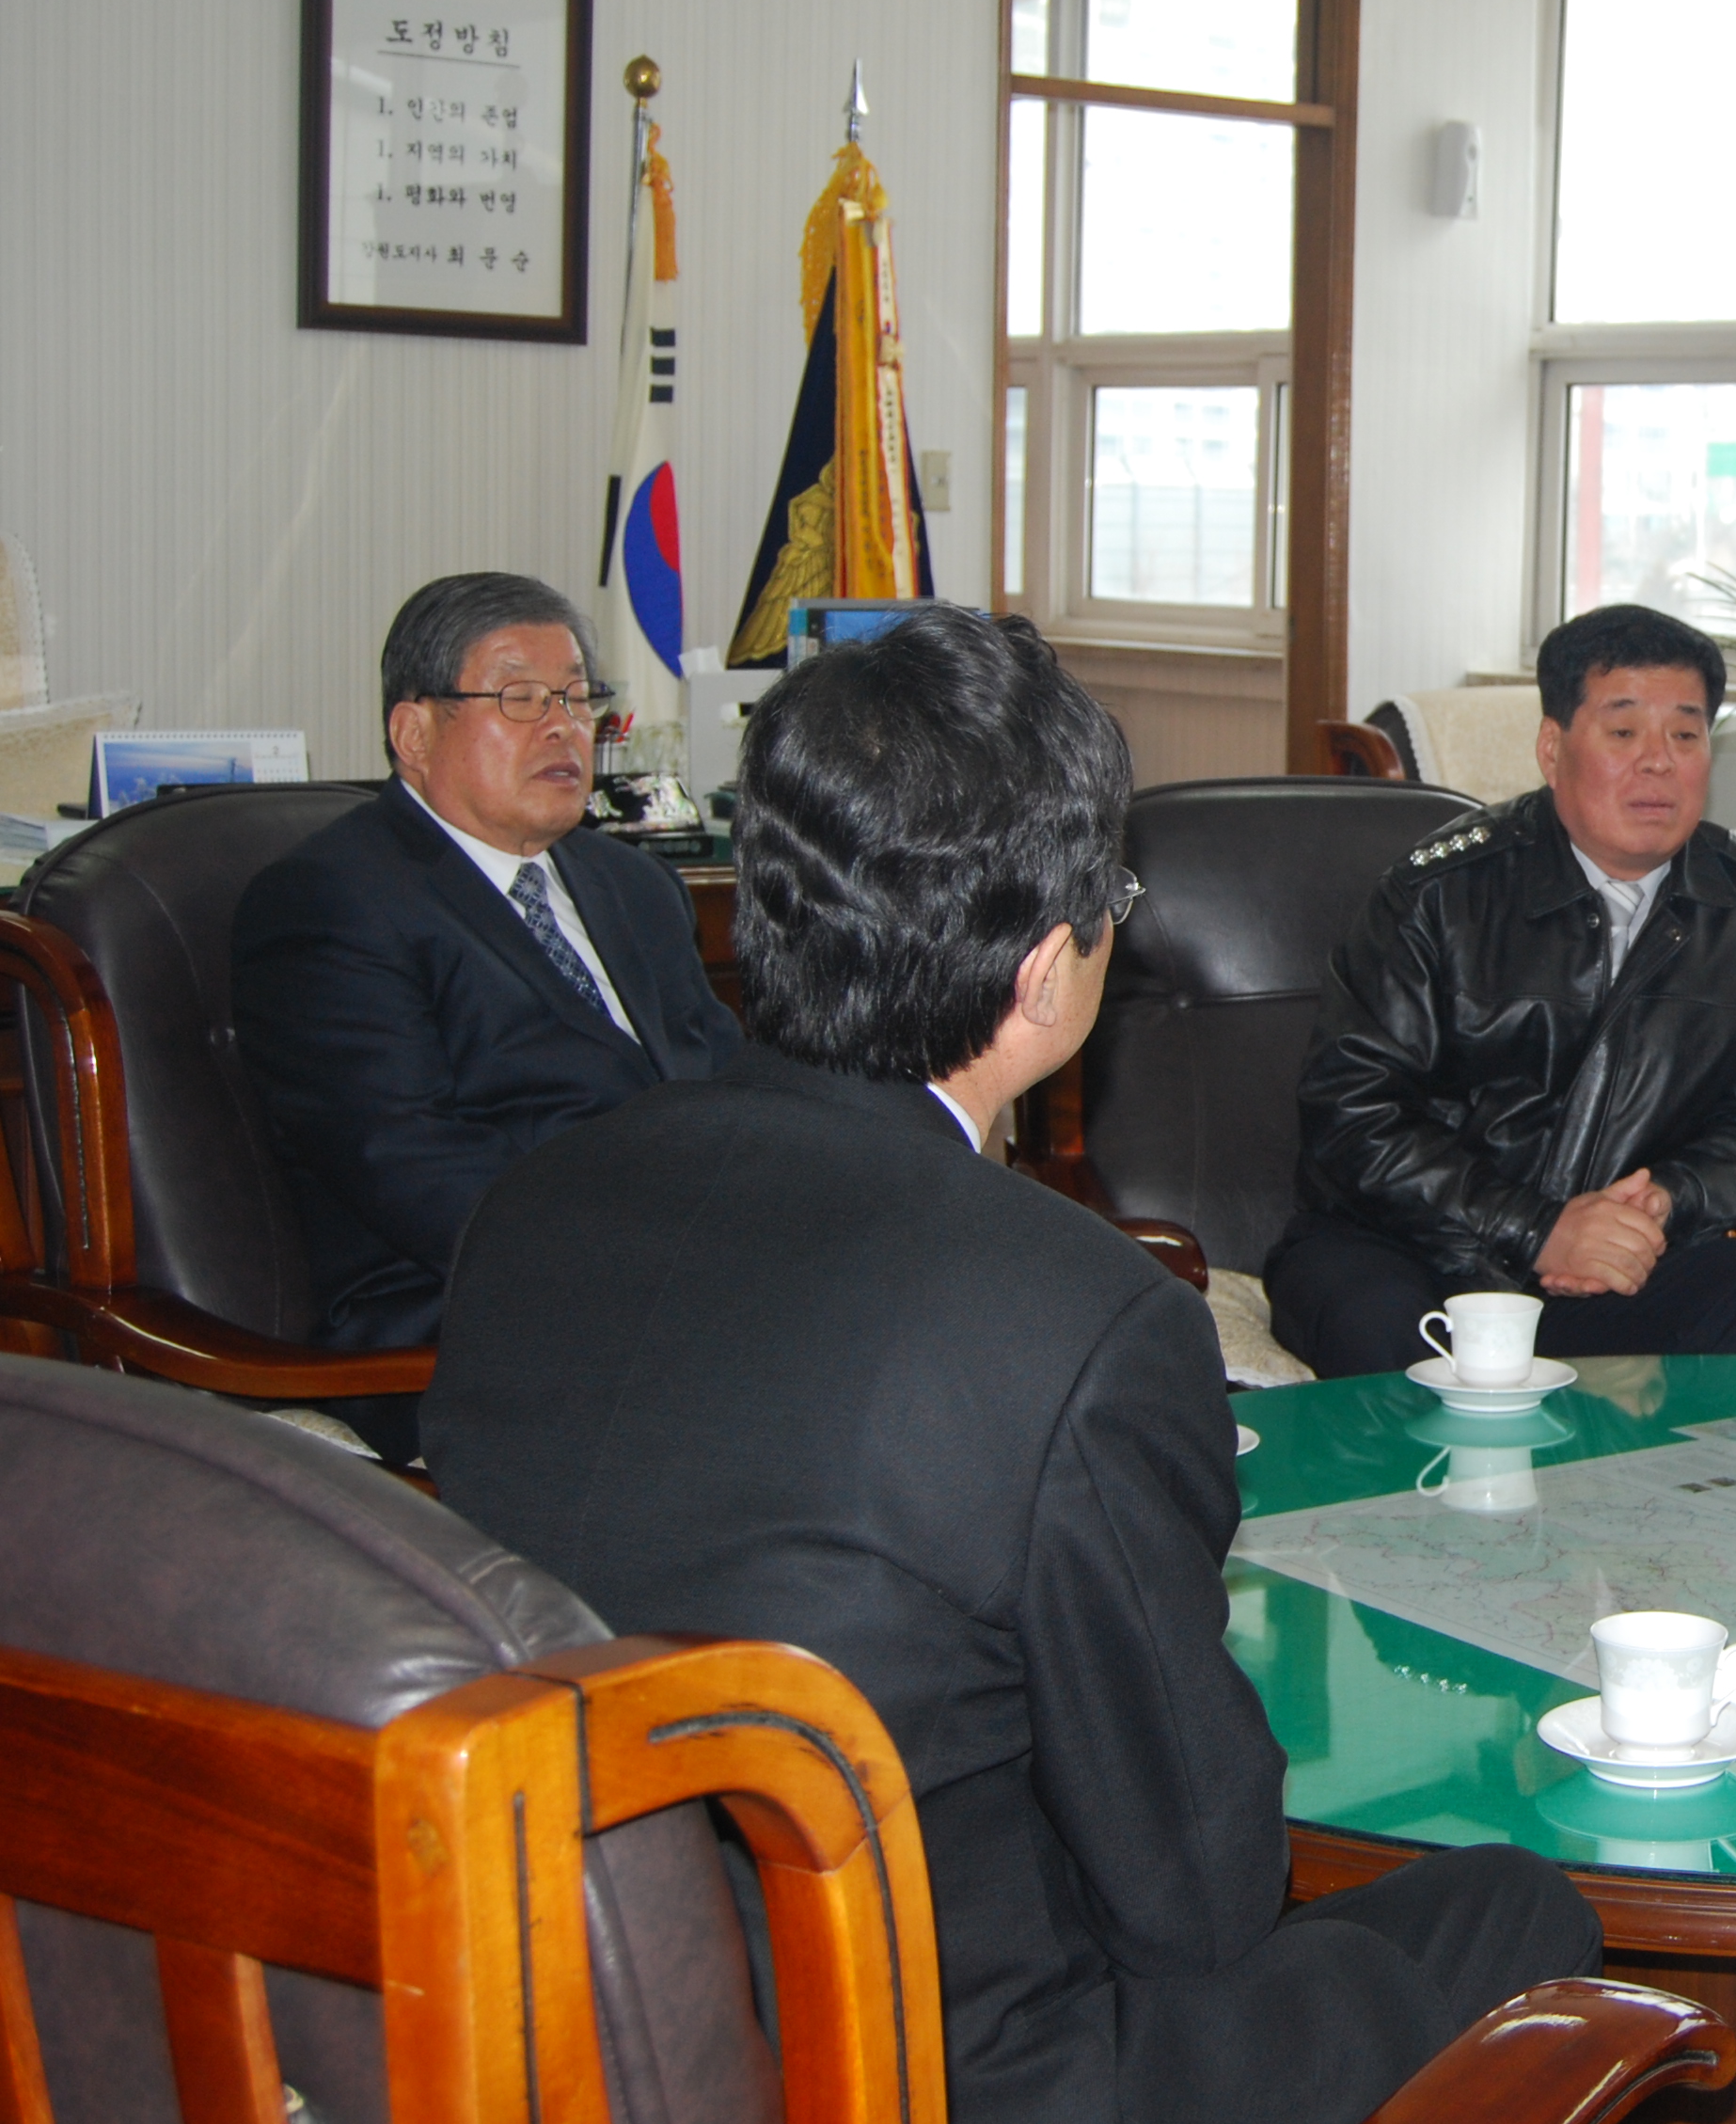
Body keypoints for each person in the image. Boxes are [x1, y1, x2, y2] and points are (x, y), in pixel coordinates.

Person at [423, 610, 1602, 2124]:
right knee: (1518, 1910)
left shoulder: (535, 1203)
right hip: (934, 2067)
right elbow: (1197, 1901)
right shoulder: (1079, 1318)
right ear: (1048, 972)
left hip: (575, 2011)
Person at [231, 572, 736, 1456]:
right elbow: (413, 1170)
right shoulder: (332, 902)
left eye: (577, 698)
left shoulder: (635, 885)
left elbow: (732, 1082)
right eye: (520, 699)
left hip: (685, 1283)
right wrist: (678, 1257)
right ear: (414, 733)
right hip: (470, 1325)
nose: (563, 727)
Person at [1266, 603, 1736, 1379]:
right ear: (1551, 747)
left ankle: (1654, 1468)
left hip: (1618, 1267)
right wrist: (1537, 1231)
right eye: (1624, 732)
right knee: (1375, 1326)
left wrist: (1666, 1202)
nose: (1659, 763)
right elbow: (1352, 1115)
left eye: (1686, 735)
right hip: (1413, 1250)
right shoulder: (1439, 896)